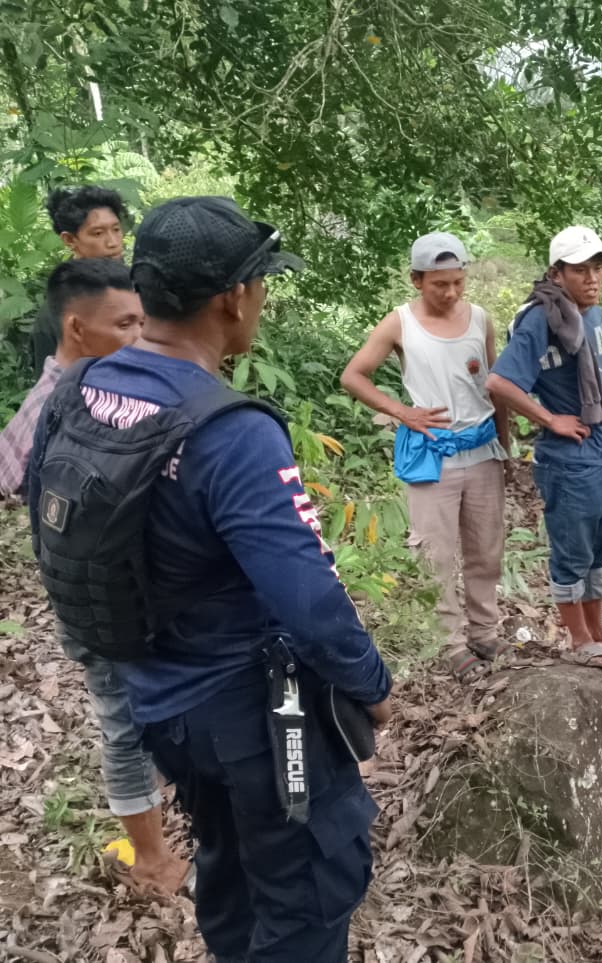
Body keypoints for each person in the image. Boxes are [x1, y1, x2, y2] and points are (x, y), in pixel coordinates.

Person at [27, 196, 393, 962]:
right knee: (304, 899)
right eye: (261, 285)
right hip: (256, 717)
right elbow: (311, 597)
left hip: (160, 703)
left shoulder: (79, 391)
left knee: (228, 879)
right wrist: (373, 684)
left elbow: (46, 513)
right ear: (235, 295)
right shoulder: (232, 431)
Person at [0, 259, 190, 893]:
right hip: (96, 596)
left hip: (126, 591)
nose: (141, 336)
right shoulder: (61, 400)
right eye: (126, 323)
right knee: (122, 719)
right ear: (77, 326)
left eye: (144, 320)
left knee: (146, 712)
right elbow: (14, 479)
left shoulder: (101, 389)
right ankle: (153, 861)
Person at [340, 232, 509, 682]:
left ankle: (485, 631)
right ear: (417, 280)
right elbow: (354, 375)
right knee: (435, 554)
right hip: (433, 456)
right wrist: (401, 411)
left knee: (486, 549)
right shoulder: (399, 323)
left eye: (458, 282)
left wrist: (507, 446)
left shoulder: (480, 320)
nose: (451, 292)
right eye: (439, 284)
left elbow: (493, 386)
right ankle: (451, 643)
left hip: (482, 450)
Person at [487, 226, 602, 671]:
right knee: (572, 550)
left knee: (599, 549)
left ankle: (599, 633)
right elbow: (498, 382)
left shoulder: (590, 314)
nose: (592, 277)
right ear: (557, 272)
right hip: (569, 458)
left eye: (597, 267)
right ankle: (579, 639)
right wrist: (550, 419)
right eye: (580, 269)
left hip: (601, 446)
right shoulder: (542, 318)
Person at [29, 186, 128, 375]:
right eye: (98, 233)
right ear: (69, 240)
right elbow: (52, 391)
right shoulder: (54, 314)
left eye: (116, 229)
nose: (113, 242)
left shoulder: (140, 288)